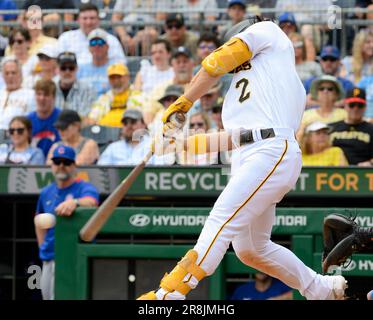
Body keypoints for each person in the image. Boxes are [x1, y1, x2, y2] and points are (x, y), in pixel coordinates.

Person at [138, 17, 347, 300]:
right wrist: (177, 144)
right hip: (251, 155)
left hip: (271, 149)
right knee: (251, 249)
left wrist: (183, 102)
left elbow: (218, 60)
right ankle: (320, 288)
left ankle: (174, 291)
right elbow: (232, 138)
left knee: (221, 219)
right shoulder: (248, 88)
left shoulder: (268, 31)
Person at [35, 144, 99, 300]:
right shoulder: (46, 192)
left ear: (74, 165)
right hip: (50, 256)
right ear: (52, 165)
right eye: (57, 162)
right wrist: (43, 246)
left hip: (74, 257)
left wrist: (75, 202)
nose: (61, 166)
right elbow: (38, 220)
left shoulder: (84, 187)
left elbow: (92, 202)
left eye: (66, 162)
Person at [58, 3, 126, 66]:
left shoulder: (111, 40)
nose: (88, 22)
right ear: (78, 20)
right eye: (85, 18)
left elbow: (121, 63)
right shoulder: (66, 38)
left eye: (92, 18)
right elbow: (57, 62)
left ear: (98, 20)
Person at [97, 109, 174, 165]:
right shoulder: (113, 147)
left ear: (143, 125)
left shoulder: (154, 145)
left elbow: (159, 171)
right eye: (125, 123)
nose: (129, 126)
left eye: (133, 122)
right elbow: (101, 171)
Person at [329, 87, 373, 166]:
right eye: (351, 105)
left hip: (362, 173)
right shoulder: (331, 128)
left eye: (360, 105)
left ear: (365, 107)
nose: (355, 109)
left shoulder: (371, 129)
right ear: (345, 106)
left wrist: (370, 163)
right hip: (333, 171)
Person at [298, 75, 346, 141]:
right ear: (317, 94)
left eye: (330, 89)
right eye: (321, 88)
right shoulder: (305, 115)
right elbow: (299, 138)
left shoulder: (344, 115)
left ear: (336, 94)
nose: (325, 91)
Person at [88, 63, 136, 128]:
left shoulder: (137, 95)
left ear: (127, 77)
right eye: (112, 77)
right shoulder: (104, 98)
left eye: (119, 77)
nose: (116, 80)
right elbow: (92, 118)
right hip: (104, 132)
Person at [54, 52, 96, 121]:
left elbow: (89, 117)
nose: (67, 72)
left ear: (76, 69)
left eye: (71, 68)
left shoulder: (88, 90)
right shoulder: (50, 89)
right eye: (63, 68)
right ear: (57, 70)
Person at [28, 79, 61, 157]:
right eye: (39, 94)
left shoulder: (62, 118)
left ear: (53, 97)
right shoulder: (28, 120)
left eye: (46, 95)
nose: (42, 98)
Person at [77, 28, 115, 97]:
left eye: (100, 42)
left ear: (107, 47)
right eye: (93, 43)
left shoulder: (115, 68)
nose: (96, 46)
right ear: (89, 48)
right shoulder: (81, 68)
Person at [0, 57, 35, 130]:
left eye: (13, 73)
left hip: (15, 134)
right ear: (2, 76)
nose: (10, 76)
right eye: (7, 73)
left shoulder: (31, 95)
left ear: (21, 74)